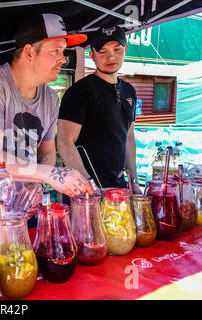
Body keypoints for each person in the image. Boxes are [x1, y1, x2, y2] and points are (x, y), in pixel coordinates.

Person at [0, 13, 92, 227]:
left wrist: (35, 184)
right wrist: (51, 175)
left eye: (63, 51)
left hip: (24, 211)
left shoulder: (51, 99)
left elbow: (46, 153)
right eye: (55, 51)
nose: (63, 59)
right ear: (29, 52)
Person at [57, 25, 142, 206]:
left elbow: (128, 137)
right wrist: (89, 187)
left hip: (118, 189)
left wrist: (133, 180)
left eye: (117, 49)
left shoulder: (129, 91)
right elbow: (64, 143)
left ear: (125, 49)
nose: (111, 57)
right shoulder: (79, 92)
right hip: (85, 193)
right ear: (92, 55)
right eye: (102, 51)